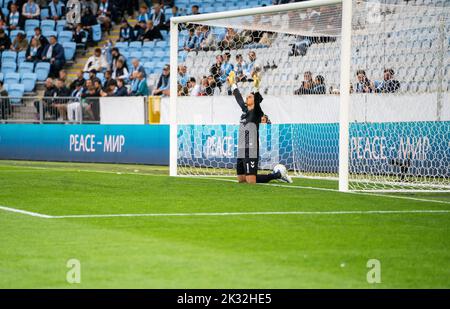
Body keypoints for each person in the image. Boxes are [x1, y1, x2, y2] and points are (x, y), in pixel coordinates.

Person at [227, 70, 292, 184]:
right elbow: (238, 98)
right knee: (241, 180)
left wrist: (256, 85)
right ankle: (276, 174)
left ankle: (278, 174)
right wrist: (232, 84)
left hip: (251, 149)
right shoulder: (245, 111)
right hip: (242, 148)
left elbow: (256, 97)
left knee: (251, 181)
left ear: (255, 101)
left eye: (250, 97)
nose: (247, 97)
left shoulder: (256, 112)